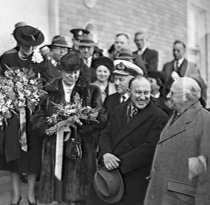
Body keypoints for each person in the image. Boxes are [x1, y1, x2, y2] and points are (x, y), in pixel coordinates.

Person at [32, 51, 107, 205]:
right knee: (57, 190)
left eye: (76, 72)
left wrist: (80, 125)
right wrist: (52, 126)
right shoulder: (49, 90)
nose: (72, 76)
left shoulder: (91, 91)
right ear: (61, 71)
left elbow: (101, 117)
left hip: (80, 146)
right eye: (68, 73)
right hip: (54, 145)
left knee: (77, 191)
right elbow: (36, 117)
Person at [87, 76, 169, 205]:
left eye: (146, 93)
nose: (143, 97)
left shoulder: (159, 117)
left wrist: (118, 164)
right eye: (138, 92)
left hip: (134, 177)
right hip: (109, 176)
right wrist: (106, 154)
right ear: (129, 92)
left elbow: (149, 149)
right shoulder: (118, 110)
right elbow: (106, 134)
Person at [0, 23, 45, 205]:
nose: (29, 49)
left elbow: (49, 82)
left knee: (33, 154)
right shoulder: (7, 58)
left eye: (32, 45)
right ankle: (16, 194)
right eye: (25, 45)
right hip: (14, 114)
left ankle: (30, 193)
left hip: (34, 115)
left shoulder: (40, 60)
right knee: (14, 154)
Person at [144, 77, 210, 205]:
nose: (168, 96)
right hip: (162, 195)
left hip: (180, 199)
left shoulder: (205, 121)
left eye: (173, 93)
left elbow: (204, 172)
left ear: (186, 97)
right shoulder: (176, 116)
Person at [161, 40, 207, 104]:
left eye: (178, 50)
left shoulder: (192, 66)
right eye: (174, 50)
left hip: (186, 101)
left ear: (184, 51)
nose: (175, 53)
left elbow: (199, 84)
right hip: (170, 101)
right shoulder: (167, 66)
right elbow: (162, 83)